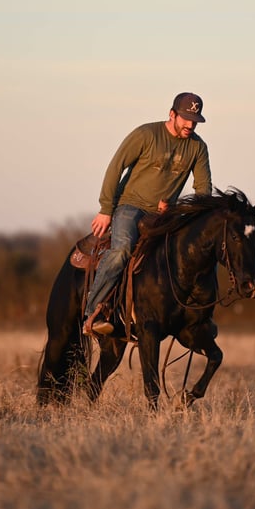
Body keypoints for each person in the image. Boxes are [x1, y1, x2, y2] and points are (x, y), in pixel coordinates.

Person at [83, 92, 212, 335]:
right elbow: (116, 167)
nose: (190, 125)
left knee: (195, 252)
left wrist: (178, 211)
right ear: (172, 114)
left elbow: (203, 190)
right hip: (130, 206)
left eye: (195, 120)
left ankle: (197, 318)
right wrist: (106, 209)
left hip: (165, 215)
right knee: (121, 250)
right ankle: (93, 312)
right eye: (185, 118)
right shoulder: (146, 134)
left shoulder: (198, 147)